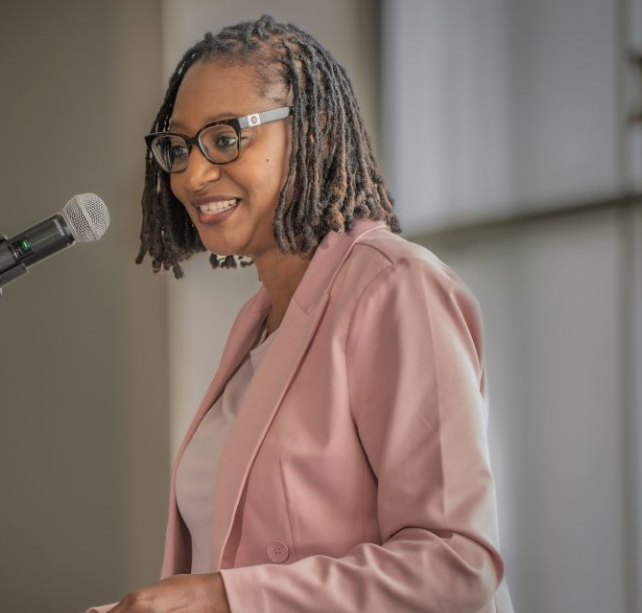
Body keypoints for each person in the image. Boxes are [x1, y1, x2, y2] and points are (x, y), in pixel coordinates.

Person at [84, 14, 515, 613]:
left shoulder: (395, 286)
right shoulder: (258, 322)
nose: (192, 173)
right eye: (178, 147)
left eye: (226, 138)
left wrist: (224, 599)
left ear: (312, 133)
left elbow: (455, 563)